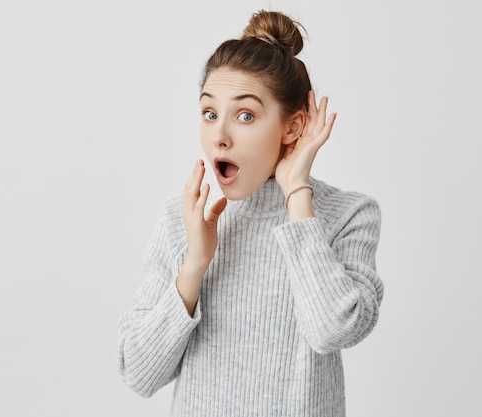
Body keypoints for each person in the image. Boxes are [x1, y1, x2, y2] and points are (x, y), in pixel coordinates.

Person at [118, 10, 383, 417]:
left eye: (245, 116)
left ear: (293, 127)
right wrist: (195, 264)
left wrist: (297, 193)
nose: (220, 136)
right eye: (210, 114)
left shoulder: (348, 215)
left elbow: (334, 329)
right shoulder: (182, 217)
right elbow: (138, 373)